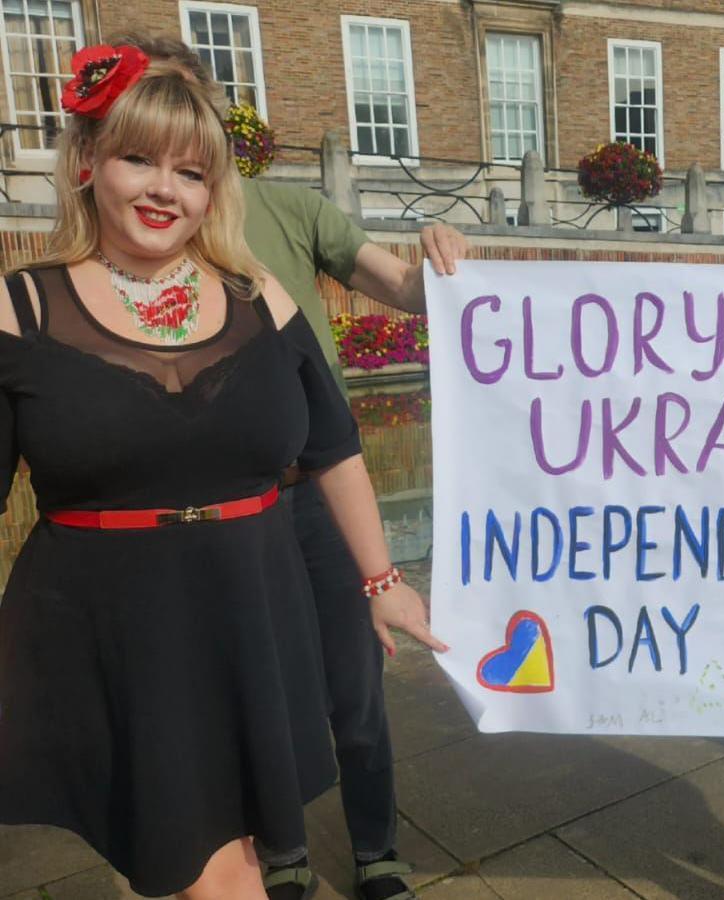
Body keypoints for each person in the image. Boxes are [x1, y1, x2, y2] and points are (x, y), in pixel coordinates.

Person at [0, 38, 444, 900]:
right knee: (190, 864)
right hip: (109, 627)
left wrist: (382, 577)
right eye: (139, 159)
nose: (167, 189)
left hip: (251, 609)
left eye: (192, 172)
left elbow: (332, 446)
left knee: (225, 855)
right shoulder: (22, 308)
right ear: (88, 162)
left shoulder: (256, 296)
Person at [129, 37, 467, 900]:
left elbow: (397, 288)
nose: (172, 167)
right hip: (218, 505)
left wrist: (440, 261)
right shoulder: (148, 242)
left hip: (320, 487)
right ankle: (281, 852)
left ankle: (377, 847)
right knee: (258, 694)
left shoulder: (288, 210)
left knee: (355, 688)